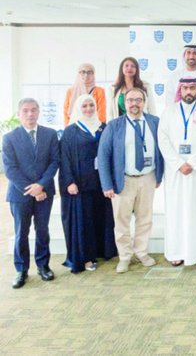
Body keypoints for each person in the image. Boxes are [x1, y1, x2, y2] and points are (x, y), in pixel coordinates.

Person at [98, 87, 164, 274]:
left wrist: (159, 175)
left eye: (138, 100)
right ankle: (125, 256)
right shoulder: (114, 125)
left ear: (144, 102)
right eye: (130, 100)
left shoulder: (155, 122)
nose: (134, 104)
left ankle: (141, 252)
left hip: (148, 177)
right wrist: (107, 184)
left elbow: (162, 149)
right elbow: (103, 156)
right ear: (124, 103)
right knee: (122, 221)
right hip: (123, 180)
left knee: (145, 218)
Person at [158, 78, 196, 267]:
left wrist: (192, 162)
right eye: (185, 88)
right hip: (176, 171)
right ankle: (176, 251)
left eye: (192, 88)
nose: (189, 91)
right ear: (180, 90)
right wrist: (178, 164)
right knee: (176, 209)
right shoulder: (169, 112)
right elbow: (162, 140)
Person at [3, 99, 60, 288]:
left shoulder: (50, 134)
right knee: (21, 232)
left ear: (39, 112)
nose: (30, 114)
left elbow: (54, 162)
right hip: (20, 194)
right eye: (26, 111)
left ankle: (43, 266)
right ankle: (21, 270)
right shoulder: (9, 138)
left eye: (34, 110)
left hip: (45, 192)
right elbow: (10, 169)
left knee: (42, 230)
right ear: (19, 114)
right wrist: (33, 190)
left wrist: (41, 185)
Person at [59, 95, 117, 274]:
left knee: (102, 218)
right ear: (78, 108)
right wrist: (69, 182)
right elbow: (64, 159)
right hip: (80, 185)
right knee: (84, 222)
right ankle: (86, 258)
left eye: (91, 105)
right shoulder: (71, 131)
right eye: (84, 106)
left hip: (101, 183)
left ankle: (102, 251)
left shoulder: (104, 127)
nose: (88, 109)